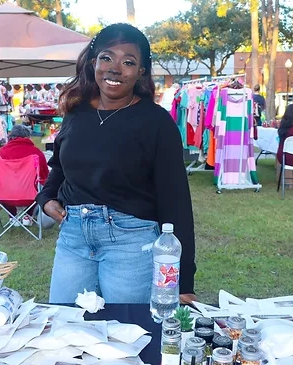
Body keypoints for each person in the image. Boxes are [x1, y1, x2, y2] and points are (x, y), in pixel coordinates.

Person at [36, 23, 197, 305]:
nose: (115, 68)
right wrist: (46, 197)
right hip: (73, 237)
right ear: (93, 62)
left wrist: (183, 281)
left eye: (129, 62)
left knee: (130, 334)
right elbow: (61, 167)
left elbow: (176, 201)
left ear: (141, 73)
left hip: (131, 243)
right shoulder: (77, 113)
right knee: (65, 326)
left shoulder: (156, 122)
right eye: (107, 58)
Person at [0, 124, 50, 225]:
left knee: (1, 185)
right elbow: (44, 176)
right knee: (41, 186)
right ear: (27, 137)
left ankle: (12, 216)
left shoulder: (1, 152)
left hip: (5, 195)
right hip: (30, 195)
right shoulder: (36, 152)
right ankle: (28, 215)